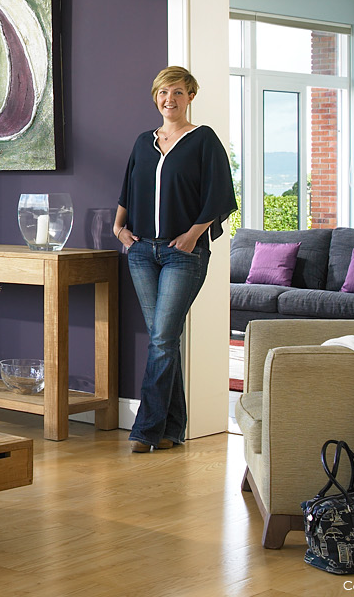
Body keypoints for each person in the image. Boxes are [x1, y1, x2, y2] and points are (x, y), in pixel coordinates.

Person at [113, 66, 236, 453]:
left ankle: (145, 430)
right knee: (163, 340)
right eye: (164, 92)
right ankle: (171, 429)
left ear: (191, 97)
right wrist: (119, 230)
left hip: (183, 255)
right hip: (142, 253)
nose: (171, 99)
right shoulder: (142, 142)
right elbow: (128, 189)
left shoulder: (204, 140)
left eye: (179, 92)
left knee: (163, 339)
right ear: (156, 97)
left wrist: (192, 235)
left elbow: (219, 195)